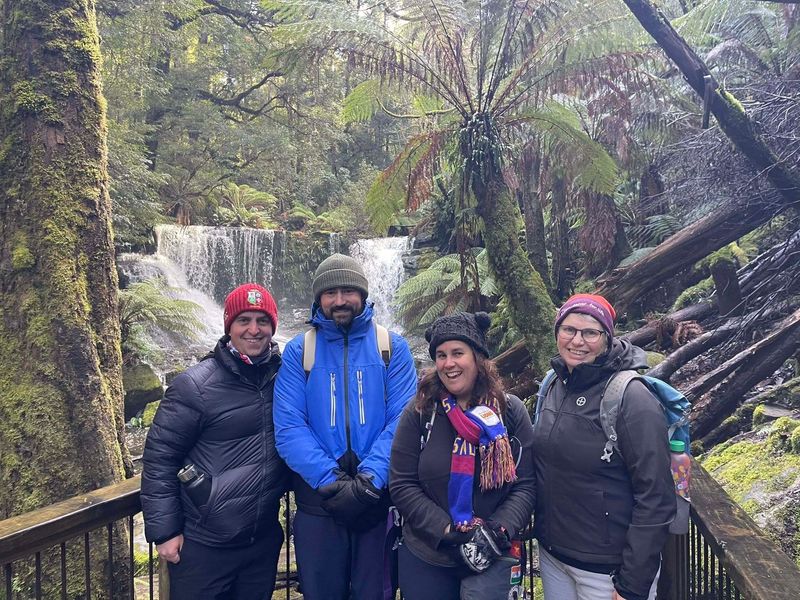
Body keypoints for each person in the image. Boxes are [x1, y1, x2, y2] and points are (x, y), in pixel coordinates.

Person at [273, 253, 418, 600]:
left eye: (348, 291)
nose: (340, 300)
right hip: (318, 501)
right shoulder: (299, 351)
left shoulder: (392, 348)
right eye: (330, 292)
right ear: (318, 298)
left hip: (376, 501)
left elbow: (403, 421)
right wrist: (330, 481)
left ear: (363, 295)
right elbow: (289, 427)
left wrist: (370, 481)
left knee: (375, 593)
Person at [141, 283, 288, 600]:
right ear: (229, 326)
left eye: (262, 321)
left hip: (261, 540)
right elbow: (159, 459)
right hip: (204, 545)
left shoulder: (285, 378)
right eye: (244, 320)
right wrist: (165, 532)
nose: (253, 330)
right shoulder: (194, 385)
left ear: (273, 327)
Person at [532, 294, 676, 600]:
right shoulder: (553, 384)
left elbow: (656, 495)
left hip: (607, 572)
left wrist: (632, 584)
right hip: (554, 557)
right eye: (569, 330)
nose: (577, 341)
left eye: (590, 333)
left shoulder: (632, 398)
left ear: (607, 338)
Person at [389, 312, 535, 600]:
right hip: (428, 555)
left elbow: (526, 484)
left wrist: (497, 531)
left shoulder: (509, 412)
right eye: (441, 355)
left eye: (458, 353)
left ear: (478, 358)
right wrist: (445, 530)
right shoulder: (421, 411)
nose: (448, 363)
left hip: (493, 556)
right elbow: (402, 483)